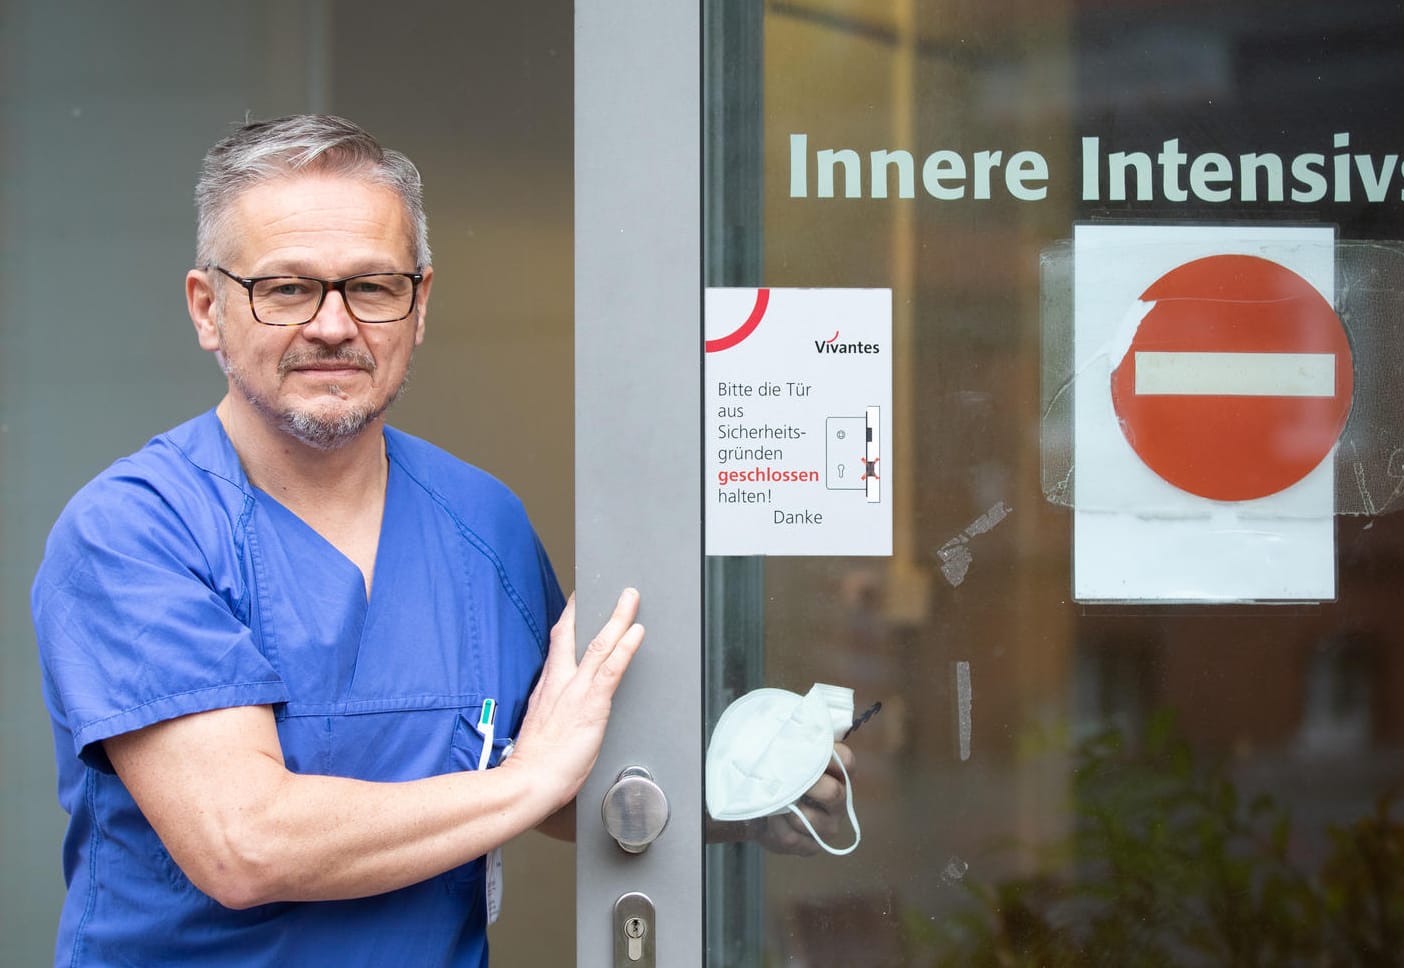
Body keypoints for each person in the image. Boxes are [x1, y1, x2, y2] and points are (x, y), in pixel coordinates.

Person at [30, 114, 851, 967]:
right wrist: (526, 780)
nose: (333, 325)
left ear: (419, 306)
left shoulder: (479, 518)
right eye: (285, 289)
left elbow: (557, 772)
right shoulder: (133, 532)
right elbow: (247, 844)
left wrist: (743, 795)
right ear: (208, 309)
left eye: (373, 287)